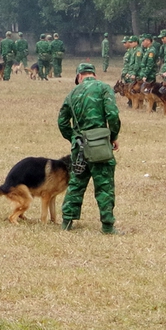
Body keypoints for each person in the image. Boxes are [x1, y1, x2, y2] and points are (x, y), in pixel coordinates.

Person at [57, 62, 121, 233]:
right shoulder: (104, 88)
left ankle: (67, 222)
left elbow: (62, 122)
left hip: (79, 145)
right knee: (104, 185)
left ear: (79, 76)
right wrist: (113, 136)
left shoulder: (71, 94)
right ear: (94, 74)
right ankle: (107, 226)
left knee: (76, 182)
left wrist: (72, 137)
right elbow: (113, 114)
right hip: (99, 144)